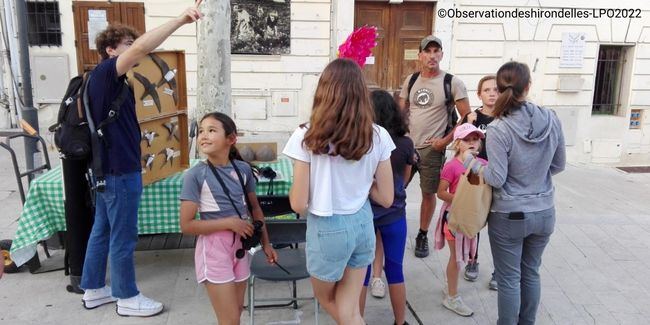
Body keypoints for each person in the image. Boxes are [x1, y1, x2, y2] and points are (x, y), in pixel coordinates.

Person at [80, 1, 203, 317]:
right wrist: (178, 20)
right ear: (111, 51)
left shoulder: (101, 80)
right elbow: (146, 45)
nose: (136, 50)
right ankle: (127, 296)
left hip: (107, 170)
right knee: (123, 236)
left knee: (103, 229)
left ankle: (93, 289)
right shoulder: (108, 73)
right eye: (128, 46)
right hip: (119, 171)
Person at [283, 58, 394, 325]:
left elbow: (298, 204)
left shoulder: (305, 136)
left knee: (328, 300)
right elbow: (386, 198)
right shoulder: (377, 135)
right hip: (362, 223)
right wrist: (362, 181)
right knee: (351, 308)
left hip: (327, 225)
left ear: (323, 92)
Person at [464, 61, 565, 324]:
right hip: (544, 211)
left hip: (509, 214)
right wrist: (534, 180)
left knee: (509, 279)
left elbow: (496, 178)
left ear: (499, 89)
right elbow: (559, 165)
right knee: (531, 273)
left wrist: (469, 161)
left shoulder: (499, 127)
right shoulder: (552, 118)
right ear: (528, 86)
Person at [179, 112, 278, 324]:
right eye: (202, 131)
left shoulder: (243, 170)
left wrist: (266, 244)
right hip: (214, 249)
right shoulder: (194, 175)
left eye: (212, 130)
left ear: (231, 139)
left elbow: (255, 209)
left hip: (240, 249)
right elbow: (186, 225)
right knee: (230, 320)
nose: (204, 135)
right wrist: (229, 223)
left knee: (236, 314)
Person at [398, 35, 470, 258]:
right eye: (427, 51)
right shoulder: (411, 80)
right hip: (408, 145)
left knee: (428, 193)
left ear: (441, 54)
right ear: (420, 55)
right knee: (395, 191)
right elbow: (400, 112)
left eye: (436, 51)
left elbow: (467, 116)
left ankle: (422, 234)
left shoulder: (452, 82)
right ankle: (393, 232)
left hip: (432, 149)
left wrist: (444, 141)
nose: (432, 55)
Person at [359, 90, 415, 325]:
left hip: (364, 213)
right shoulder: (405, 143)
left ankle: (356, 320)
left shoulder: (361, 142)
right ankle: (400, 322)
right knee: (395, 269)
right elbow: (406, 176)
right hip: (395, 213)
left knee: (360, 272)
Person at [435, 123, 487, 317]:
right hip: (454, 218)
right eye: (467, 139)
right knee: (456, 258)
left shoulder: (482, 164)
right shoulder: (451, 166)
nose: (472, 143)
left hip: (470, 219)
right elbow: (440, 193)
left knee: (461, 258)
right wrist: (461, 200)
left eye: (475, 139)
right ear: (457, 144)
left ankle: (451, 287)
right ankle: (452, 297)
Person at [460, 75, 499, 290]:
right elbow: (461, 142)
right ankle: (472, 260)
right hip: (475, 176)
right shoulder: (473, 116)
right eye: (487, 90)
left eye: (496, 90)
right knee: (474, 222)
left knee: (498, 227)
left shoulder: (506, 118)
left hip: (498, 177)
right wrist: (469, 124)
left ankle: (498, 270)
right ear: (479, 94)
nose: (492, 93)